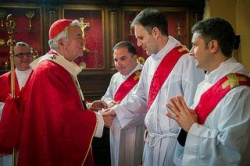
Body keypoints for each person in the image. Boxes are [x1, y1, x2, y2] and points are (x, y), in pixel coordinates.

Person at [102, 8, 204, 166]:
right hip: (151, 142)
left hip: (173, 144)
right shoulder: (149, 62)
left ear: (155, 32)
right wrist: (117, 110)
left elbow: (194, 107)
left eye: (141, 37)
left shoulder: (186, 60)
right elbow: (141, 97)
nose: (138, 44)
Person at [15, 19, 114, 166]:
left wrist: (88, 106)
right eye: (78, 37)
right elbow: (61, 118)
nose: (83, 41)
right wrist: (99, 119)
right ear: (61, 43)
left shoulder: (59, 67)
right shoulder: (48, 70)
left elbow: (63, 105)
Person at [166, 17, 250, 165]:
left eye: (194, 45)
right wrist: (187, 122)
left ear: (212, 46)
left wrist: (191, 127)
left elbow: (232, 154)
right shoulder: (206, 82)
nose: (190, 53)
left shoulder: (240, 91)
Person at [89, 41, 145, 166]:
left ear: (135, 58)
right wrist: (110, 103)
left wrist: (118, 108)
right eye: (115, 60)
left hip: (134, 129)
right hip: (115, 127)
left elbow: (142, 102)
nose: (118, 64)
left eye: (123, 59)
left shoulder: (144, 75)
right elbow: (107, 96)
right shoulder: (116, 77)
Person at [0, 42, 33, 166]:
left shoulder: (41, 76)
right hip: (12, 136)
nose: (25, 57)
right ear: (12, 57)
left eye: (28, 54)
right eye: (20, 54)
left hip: (33, 133)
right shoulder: (3, 80)